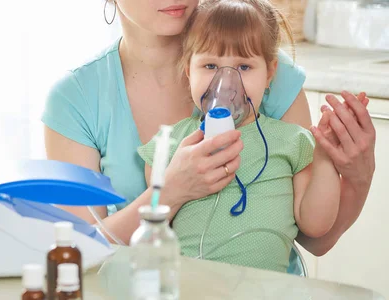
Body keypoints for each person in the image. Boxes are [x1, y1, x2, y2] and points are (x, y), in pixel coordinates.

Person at [41, 0, 376, 260]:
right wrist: (170, 192)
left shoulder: (262, 71)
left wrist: (358, 175)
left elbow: (315, 238)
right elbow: (78, 256)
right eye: (209, 66)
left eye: (242, 66)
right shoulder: (76, 100)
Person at [136, 0, 341, 272]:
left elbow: (315, 225)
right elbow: (154, 226)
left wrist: (326, 157)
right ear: (189, 71)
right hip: (192, 287)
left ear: (269, 74)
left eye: (244, 67)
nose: (226, 82)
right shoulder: (170, 144)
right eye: (210, 66)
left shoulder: (293, 142)